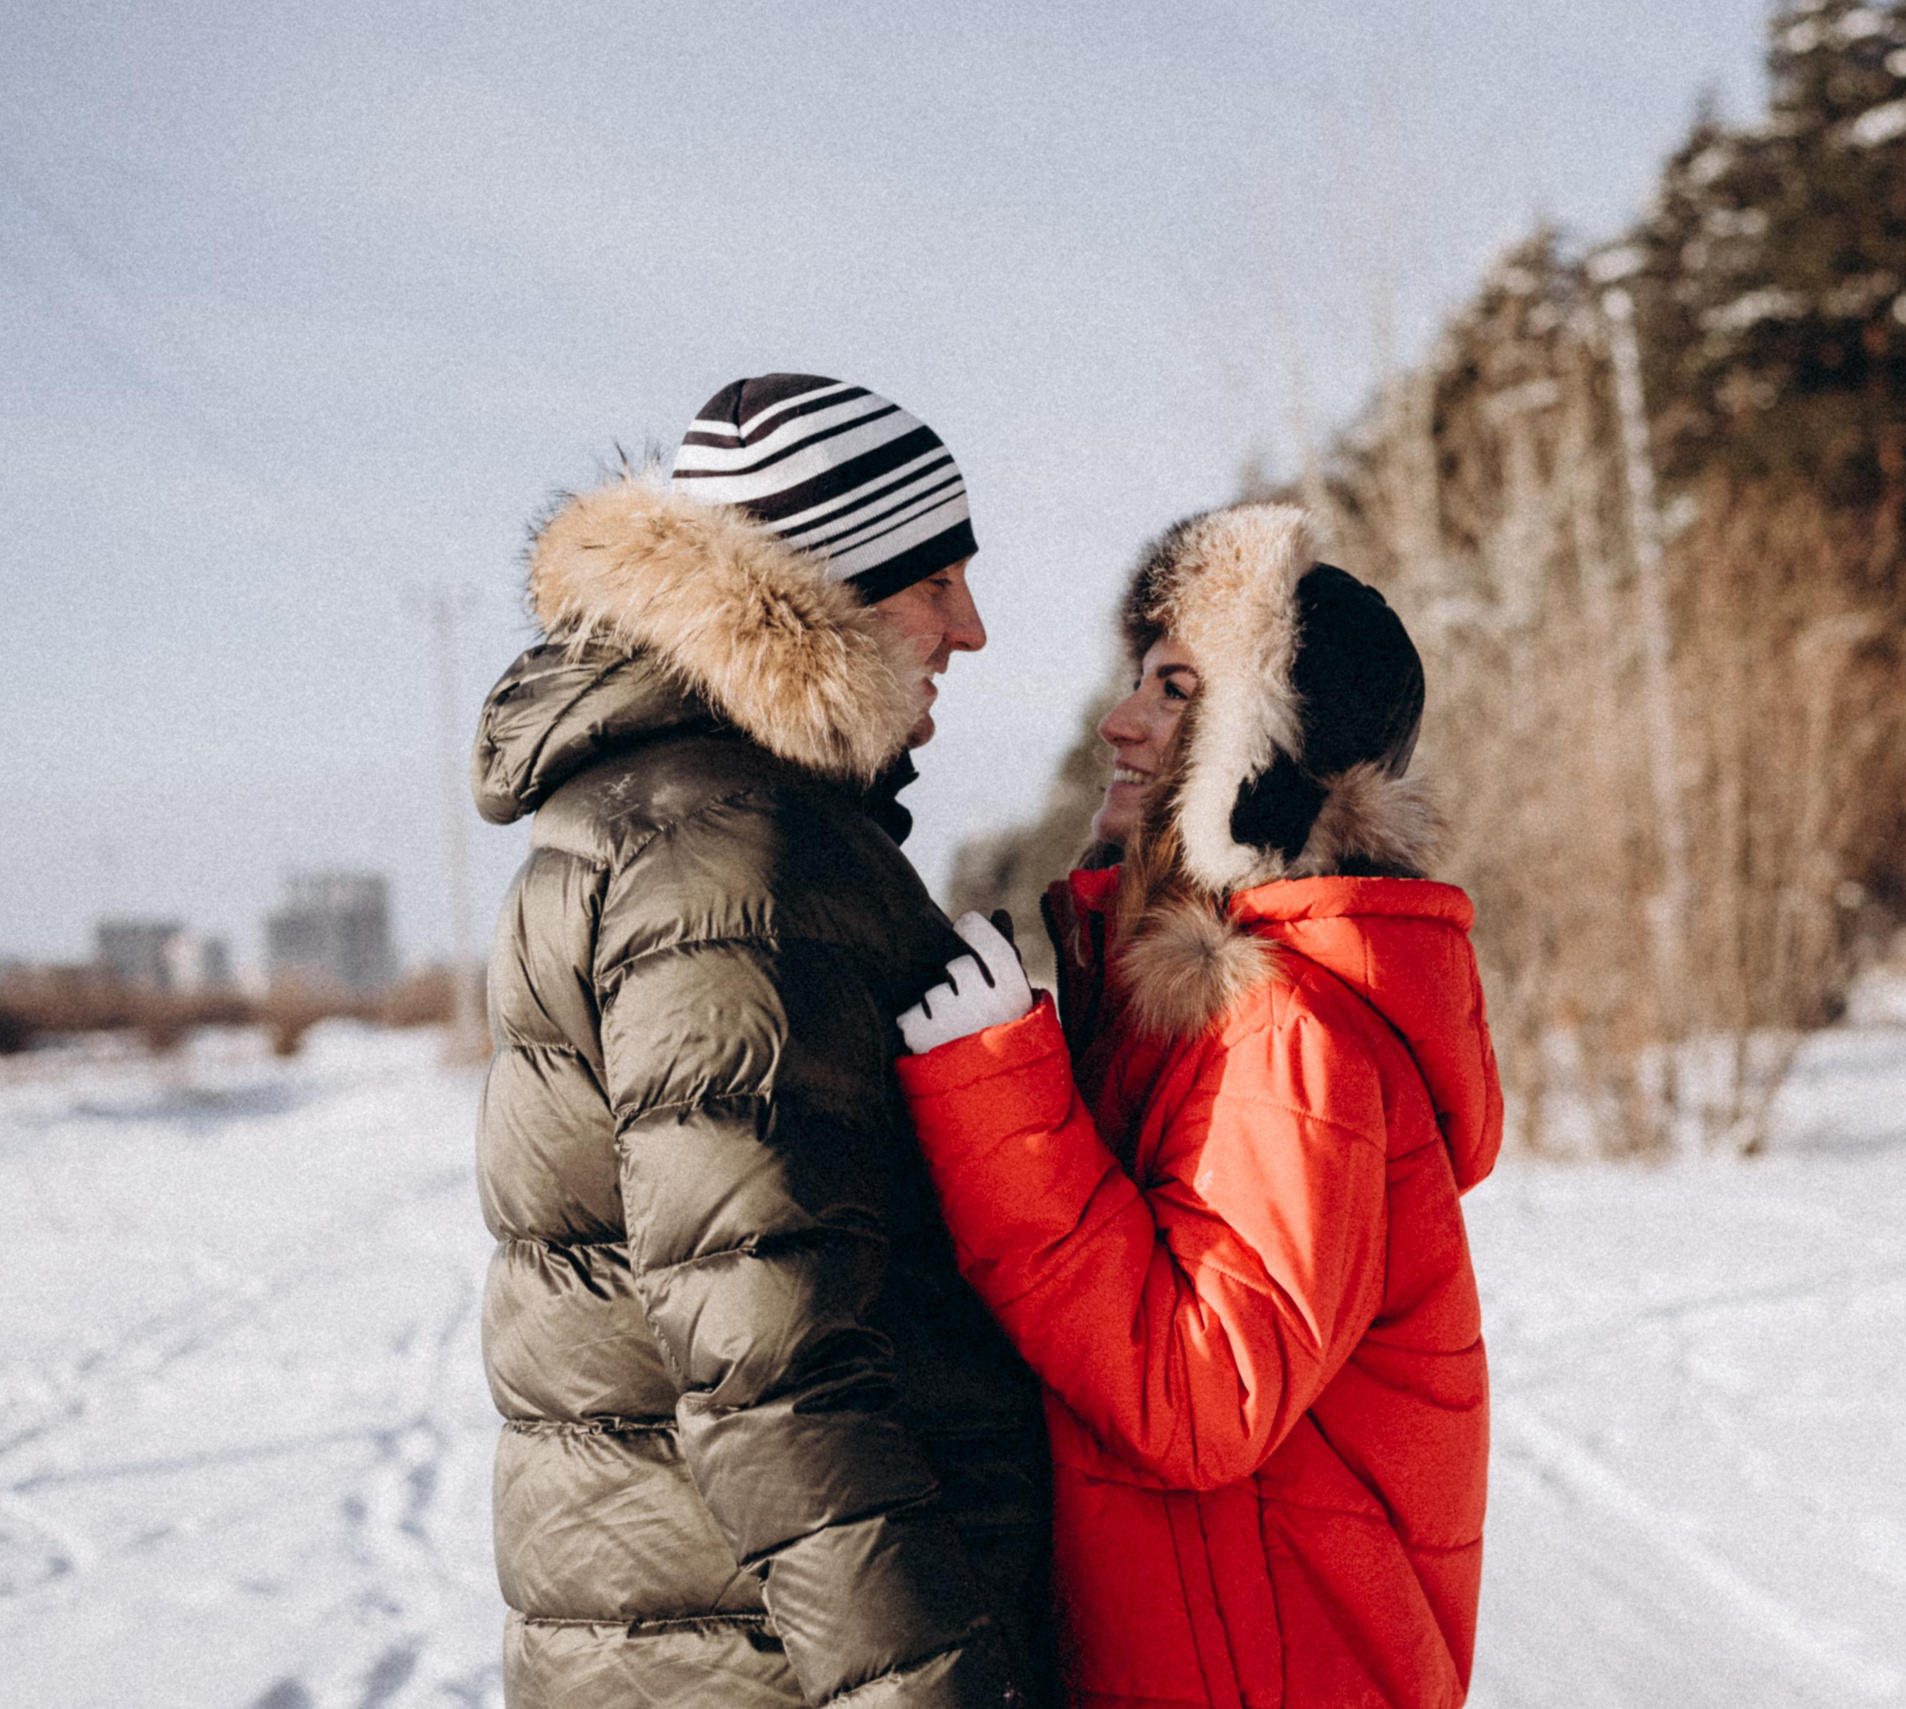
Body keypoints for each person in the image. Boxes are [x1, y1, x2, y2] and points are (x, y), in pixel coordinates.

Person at [472, 374, 1054, 1708]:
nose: (969, 627)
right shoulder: (728, 855)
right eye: (935, 579)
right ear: (826, 590)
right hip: (769, 1659)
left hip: (705, 1637)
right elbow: (770, 1362)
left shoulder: (666, 811)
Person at [891, 502, 1504, 1709]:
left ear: (1266, 751)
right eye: (1137, 681)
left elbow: (1201, 1392)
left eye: (1175, 690)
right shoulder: (1185, 1010)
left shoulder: (1284, 1028)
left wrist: (997, 1096)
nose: (1119, 720)